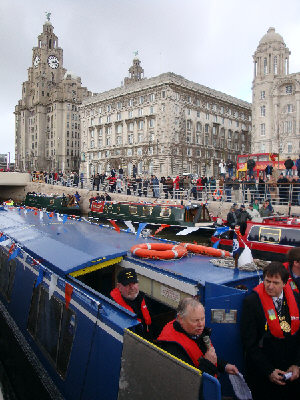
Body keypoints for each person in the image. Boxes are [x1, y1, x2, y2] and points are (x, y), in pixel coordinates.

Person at [241, 262, 300, 400]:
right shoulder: (252, 302)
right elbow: (249, 343)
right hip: (263, 375)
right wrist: (268, 370)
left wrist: (297, 364)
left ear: (285, 283)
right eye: (267, 281)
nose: (270, 286)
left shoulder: (297, 300)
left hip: (291, 374)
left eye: (275, 282)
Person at [157, 298, 239, 377]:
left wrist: (224, 366)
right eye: (195, 320)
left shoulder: (194, 331)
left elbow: (203, 355)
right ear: (180, 319)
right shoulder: (172, 347)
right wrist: (208, 364)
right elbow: (188, 382)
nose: (201, 325)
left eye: (202, 319)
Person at [110, 268, 152, 334]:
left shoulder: (143, 298)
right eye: (128, 285)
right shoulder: (114, 308)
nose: (132, 288)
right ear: (119, 287)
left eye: (134, 283)